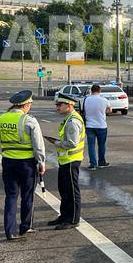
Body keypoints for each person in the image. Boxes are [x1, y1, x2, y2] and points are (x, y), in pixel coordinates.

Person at [0, 90, 45, 241]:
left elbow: (0, 133)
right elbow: (38, 145)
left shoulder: (0, 118)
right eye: (29, 104)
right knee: (27, 195)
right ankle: (25, 226)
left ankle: (10, 231)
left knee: (11, 196)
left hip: (8, 161)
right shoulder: (29, 120)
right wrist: (41, 162)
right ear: (25, 105)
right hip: (26, 163)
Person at [45, 92, 85, 230]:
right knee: (64, 189)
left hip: (71, 160)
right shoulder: (68, 118)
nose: (57, 107)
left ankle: (73, 219)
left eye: (59, 104)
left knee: (72, 191)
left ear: (69, 105)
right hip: (65, 160)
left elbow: (72, 143)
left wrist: (56, 142)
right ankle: (64, 216)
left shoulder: (73, 121)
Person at [83, 83, 112, 170]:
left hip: (89, 126)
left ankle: (93, 164)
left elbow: (83, 111)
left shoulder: (86, 100)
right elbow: (110, 110)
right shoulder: (104, 100)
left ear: (91, 91)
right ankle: (102, 162)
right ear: (100, 91)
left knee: (91, 145)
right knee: (101, 145)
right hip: (102, 125)